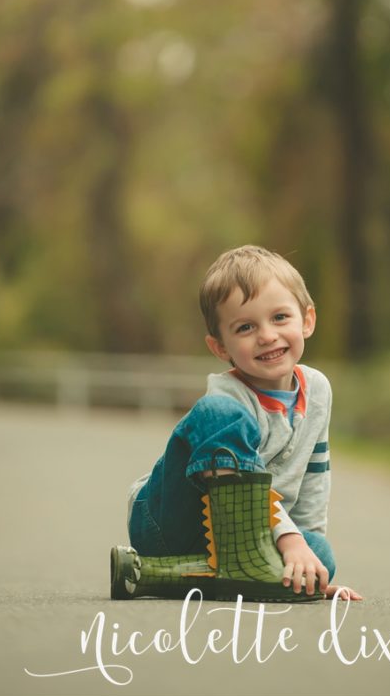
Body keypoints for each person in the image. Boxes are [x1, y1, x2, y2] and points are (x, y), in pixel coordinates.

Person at [110, 245, 361, 601]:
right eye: (245, 327)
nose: (267, 335)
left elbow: (314, 479)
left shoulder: (318, 390)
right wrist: (288, 540)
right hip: (174, 522)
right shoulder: (229, 394)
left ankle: (160, 576)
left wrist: (305, 555)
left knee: (320, 554)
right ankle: (228, 565)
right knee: (215, 414)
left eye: (280, 318)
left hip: (253, 540)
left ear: (307, 320)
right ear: (220, 347)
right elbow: (222, 422)